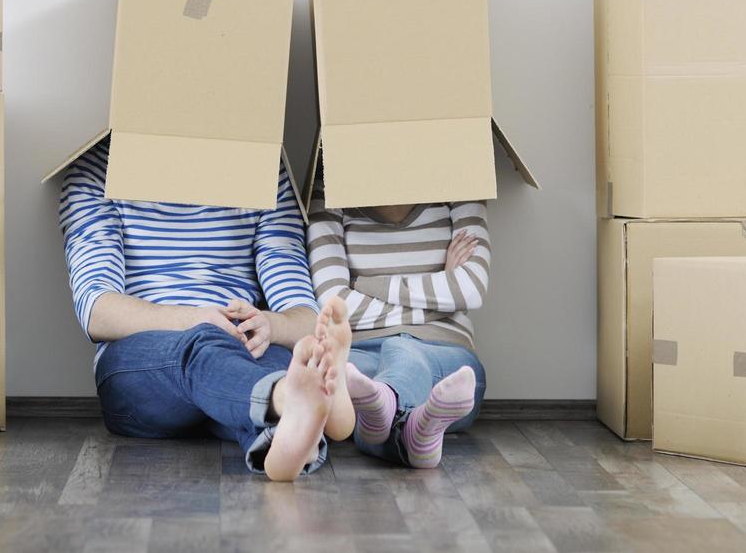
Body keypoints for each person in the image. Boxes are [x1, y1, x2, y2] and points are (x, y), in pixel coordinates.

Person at [58, 140, 350, 481]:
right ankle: (284, 399)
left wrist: (268, 323)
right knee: (206, 347)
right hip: (142, 364)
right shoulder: (96, 170)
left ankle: (283, 446)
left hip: (240, 351)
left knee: (272, 363)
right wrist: (196, 319)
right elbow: (97, 311)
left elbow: (302, 315)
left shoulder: (263, 167)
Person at [307, 181, 489, 468]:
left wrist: (367, 285)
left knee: (400, 351)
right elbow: (336, 305)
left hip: (444, 353)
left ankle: (387, 399)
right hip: (361, 352)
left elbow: (470, 288)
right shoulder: (330, 185)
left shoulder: (461, 174)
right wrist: (441, 294)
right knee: (349, 388)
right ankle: (418, 436)